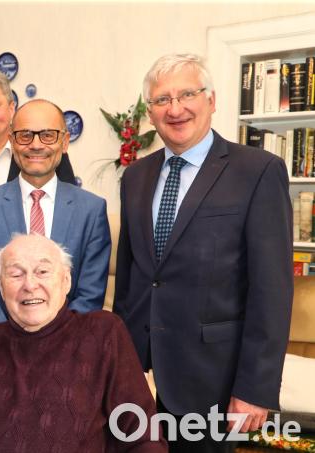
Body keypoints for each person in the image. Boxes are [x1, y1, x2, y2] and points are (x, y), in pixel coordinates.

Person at [113, 54, 293, 452]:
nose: (175, 109)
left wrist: (255, 388)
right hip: (139, 373)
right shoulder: (136, 177)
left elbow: (272, 292)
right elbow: (131, 276)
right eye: (162, 100)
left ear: (211, 100)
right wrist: (120, 361)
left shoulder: (257, 171)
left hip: (214, 378)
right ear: (150, 112)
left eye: (187, 94)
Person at [0, 234, 165, 452]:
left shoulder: (103, 333)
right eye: (16, 274)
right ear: (2, 290)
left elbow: (142, 436)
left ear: (66, 281)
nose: (29, 285)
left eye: (43, 272)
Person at [0, 99, 110, 328]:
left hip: (68, 350)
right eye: (25, 135)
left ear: (64, 142)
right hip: (1, 348)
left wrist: (53, 344)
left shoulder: (91, 210)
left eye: (48, 135)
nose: (36, 145)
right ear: (12, 142)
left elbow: (89, 295)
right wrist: (11, 345)